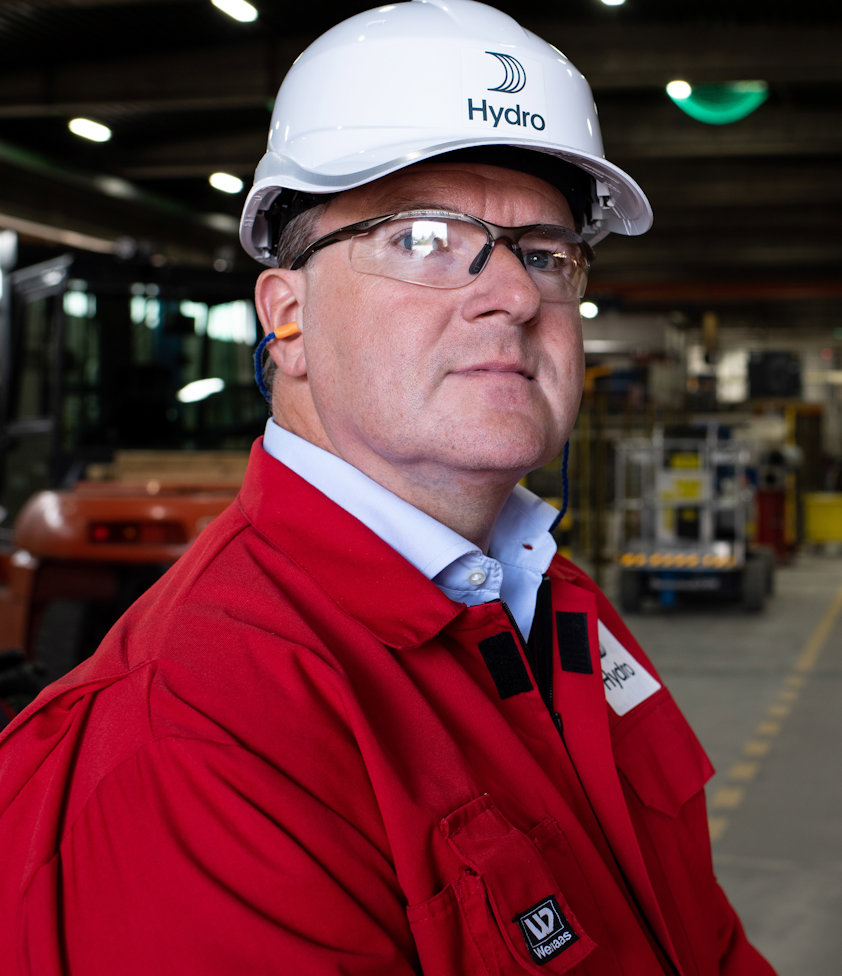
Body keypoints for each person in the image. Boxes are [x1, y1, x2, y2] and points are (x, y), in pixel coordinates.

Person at [0, 2, 777, 973]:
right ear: (284, 321)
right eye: (420, 239)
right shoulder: (202, 731)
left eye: (543, 254)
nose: (512, 295)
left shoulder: (557, 607)